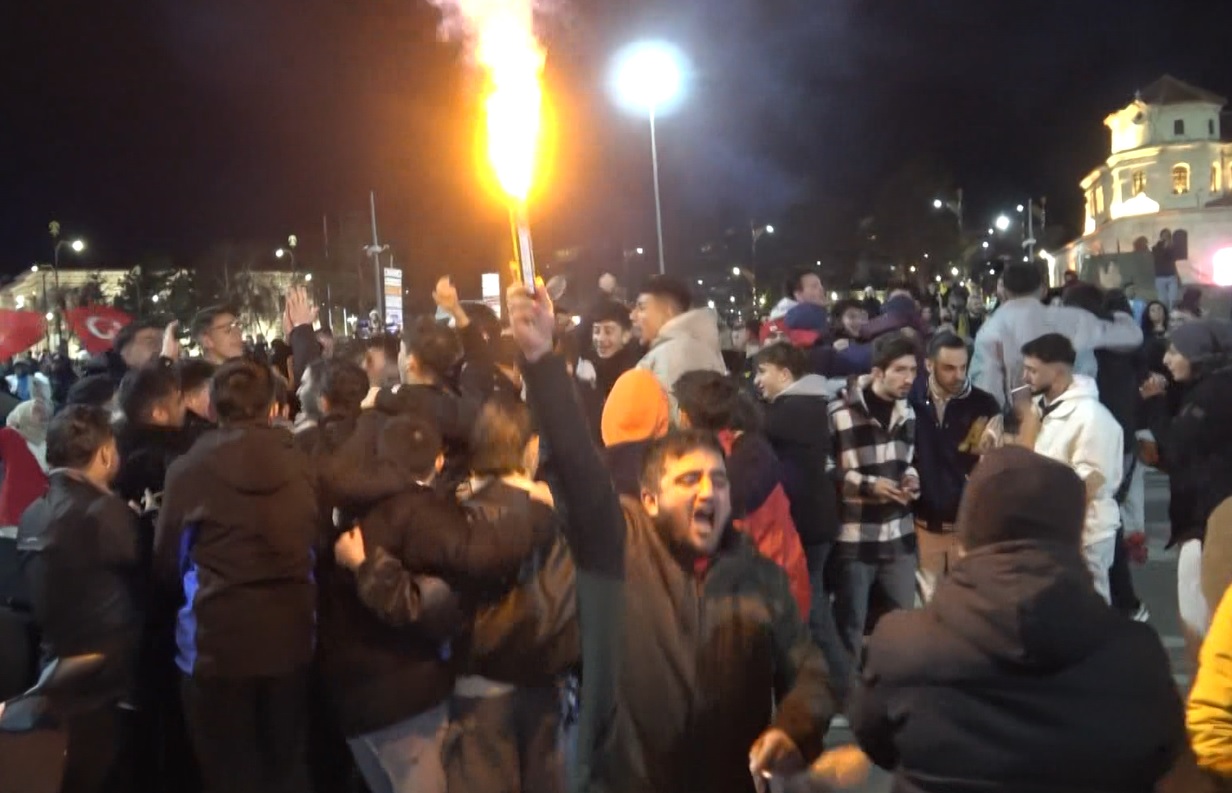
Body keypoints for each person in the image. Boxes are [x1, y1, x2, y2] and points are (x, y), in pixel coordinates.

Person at [508, 282, 834, 793]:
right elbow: (575, 465)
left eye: (718, 480)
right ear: (651, 498)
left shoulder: (759, 576)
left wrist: (795, 728)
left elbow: (810, 672)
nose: (708, 491)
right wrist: (540, 359)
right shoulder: (619, 550)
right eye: (689, 480)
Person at [849, 446, 1188, 793]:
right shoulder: (1136, 655)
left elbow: (876, 739)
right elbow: (1162, 751)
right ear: (1072, 533)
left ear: (968, 533)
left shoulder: (902, 646)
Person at [153, 359, 318, 793]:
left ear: (212, 408)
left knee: (229, 774)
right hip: (290, 636)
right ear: (272, 407)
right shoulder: (302, 461)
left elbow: (167, 561)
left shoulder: (188, 470)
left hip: (216, 643)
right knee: (287, 767)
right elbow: (315, 537)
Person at [16, 405, 141, 793]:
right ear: (104, 454)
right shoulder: (104, 512)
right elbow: (149, 571)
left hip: (54, 670)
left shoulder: (32, 514)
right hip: (105, 679)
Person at [674, 370, 812, 619]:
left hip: (763, 595)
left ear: (686, 416)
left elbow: (714, 531)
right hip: (771, 584)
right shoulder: (739, 449)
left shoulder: (742, 461)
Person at [827, 331, 919, 699]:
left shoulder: (907, 411)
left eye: (913, 370)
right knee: (850, 624)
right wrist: (867, 485)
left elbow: (907, 460)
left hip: (898, 533)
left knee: (903, 624)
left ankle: (896, 695)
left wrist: (911, 480)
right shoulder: (838, 411)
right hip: (855, 536)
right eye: (900, 370)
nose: (909, 378)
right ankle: (848, 700)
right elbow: (826, 468)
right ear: (878, 372)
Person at [754, 342, 846, 686]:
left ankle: (842, 687)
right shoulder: (815, 402)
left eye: (762, 372)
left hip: (806, 524)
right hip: (820, 521)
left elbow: (755, 428)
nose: (757, 381)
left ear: (785, 373)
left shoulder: (790, 411)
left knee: (812, 613)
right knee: (814, 608)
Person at [1141, 318, 1232, 649]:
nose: (1166, 359)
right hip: (1206, 513)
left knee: (1202, 610)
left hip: (1209, 516)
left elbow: (1177, 445)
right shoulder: (1211, 387)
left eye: (1175, 351)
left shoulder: (1213, 394)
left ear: (1199, 355)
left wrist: (1154, 404)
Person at [1017, 333, 1123, 604]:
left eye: (1032, 370)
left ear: (1058, 371)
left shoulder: (1092, 417)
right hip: (1051, 531)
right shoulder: (1041, 409)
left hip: (1084, 535)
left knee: (1089, 607)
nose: (1024, 377)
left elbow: (1088, 484)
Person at [970, 261, 1143, 409]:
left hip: (1020, 426)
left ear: (1004, 292)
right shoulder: (1072, 319)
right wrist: (1114, 293)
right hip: (1073, 419)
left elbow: (988, 388)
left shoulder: (989, 330)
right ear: (1043, 290)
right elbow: (1131, 337)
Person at [908, 332, 1000, 602]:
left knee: (969, 604)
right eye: (949, 368)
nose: (958, 375)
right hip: (924, 524)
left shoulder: (984, 404)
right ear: (929, 365)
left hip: (968, 527)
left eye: (963, 367)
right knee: (931, 604)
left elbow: (993, 464)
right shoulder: (911, 401)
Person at [631, 275, 726, 416]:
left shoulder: (665, 357)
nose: (633, 316)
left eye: (642, 308)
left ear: (667, 312)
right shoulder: (706, 348)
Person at [575, 299, 639, 440]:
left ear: (626, 335)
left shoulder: (634, 374)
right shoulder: (587, 367)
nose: (600, 338)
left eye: (608, 331)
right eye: (596, 331)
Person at [1153, 228, 1180, 309]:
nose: (1166, 238)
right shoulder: (1156, 248)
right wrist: (1165, 247)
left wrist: (1177, 275)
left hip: (1171, 276)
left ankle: (1172, 312)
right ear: (1161, 237)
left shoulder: (1172, 247)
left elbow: (1174, 261)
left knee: (1173, 299)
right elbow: (1159, 258)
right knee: (1163, 300)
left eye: (1168, 236)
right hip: (1160, 276)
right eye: (1164, 236)